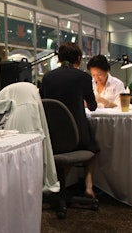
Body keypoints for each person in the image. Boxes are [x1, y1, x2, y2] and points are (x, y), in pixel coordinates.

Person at [40, 42, 99, 199]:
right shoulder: (84, 77)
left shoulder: (47, 78)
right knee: (93, 146)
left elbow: (43, 103)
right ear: (78, 58)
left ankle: (56, 186)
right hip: (78, 137)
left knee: (68, 146)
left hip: (53, 136)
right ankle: (89, 187)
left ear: (59, 58)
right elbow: (93, 106)